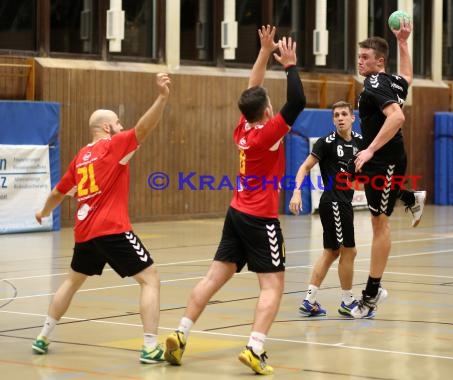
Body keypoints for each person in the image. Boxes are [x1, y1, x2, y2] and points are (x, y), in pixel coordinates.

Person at [163, 25, 306, 375]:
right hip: (260, 219)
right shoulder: (269, 132)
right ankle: (255, 348)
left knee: (213, 277)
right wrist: (289, 64)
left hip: (236, 213)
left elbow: (251, 89)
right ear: (267, 110)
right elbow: (298, 101)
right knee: (273, 284)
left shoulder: (243, 128)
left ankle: (181, 333)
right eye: (269, 102)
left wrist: (263, 52)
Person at [32, 73, 171, 363]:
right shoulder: (114, 145)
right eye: (118, 124)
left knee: (71, 281)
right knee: (151, 280)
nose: (122, 128)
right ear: (108, 127)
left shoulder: (80, 157)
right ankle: (149, 346)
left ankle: (43, 336)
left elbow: (58, 194)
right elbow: (143, 129)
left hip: (85, 233)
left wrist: (42, 212)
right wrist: (161, 98)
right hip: (112, 229)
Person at [350, 18, 426, 318]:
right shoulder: (392, 80)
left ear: (379, 61)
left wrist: (369, 150)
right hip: (387, 158)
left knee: (380, 223)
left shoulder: (375, 82)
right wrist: (404, 42)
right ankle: (410, 198)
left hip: (384, 160)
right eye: (359, 57)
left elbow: (397, 118)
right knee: (378, 217)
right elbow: (406, 76)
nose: (360, 61)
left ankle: (371, 294)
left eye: (365, 58)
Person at [289, 101, 365, 317]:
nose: (340, 118)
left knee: (331, 252)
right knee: (349, 250)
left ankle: (309, 300)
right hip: (334, 202)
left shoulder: (361, 142)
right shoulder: (326, 143)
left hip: (343, 201)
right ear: (333, 120)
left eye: (343, 114)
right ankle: (347, 302)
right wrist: (296, 192)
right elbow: (304, 167)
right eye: (336, 115)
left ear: (353, 118)